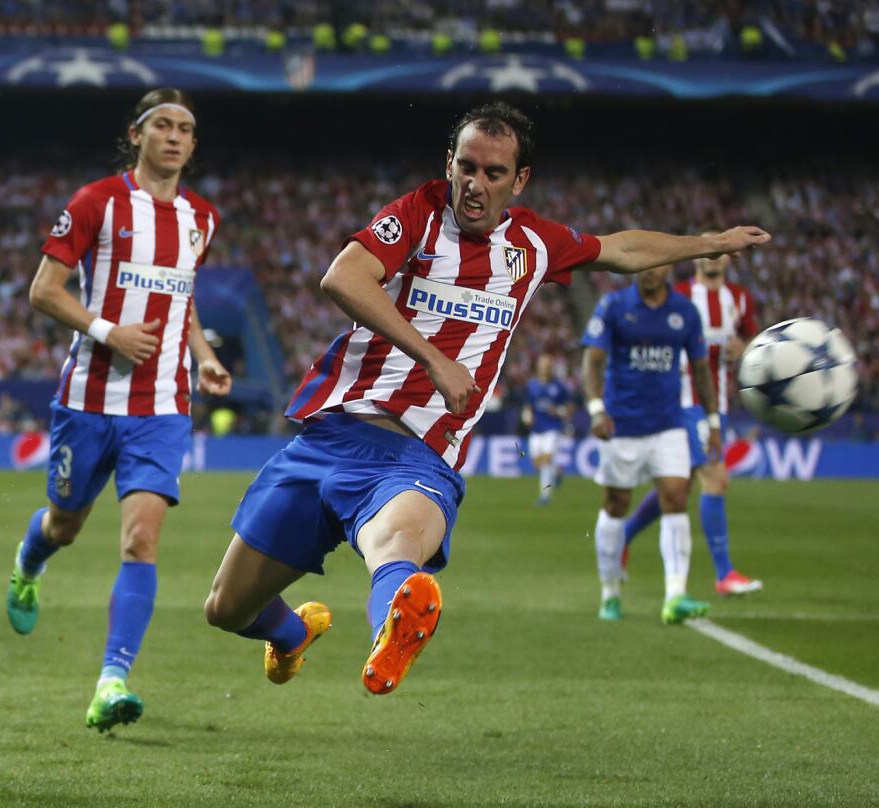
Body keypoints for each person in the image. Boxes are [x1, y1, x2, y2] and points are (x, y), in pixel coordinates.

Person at [202, 101, 769, 693]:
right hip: (331, 435)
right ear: (449, 164)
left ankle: (389, 640)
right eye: (466, 167)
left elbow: (620, 249)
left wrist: (707, 242)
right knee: (226, 607)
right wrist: (434, 357)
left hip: (416, 456)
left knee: (392, 544)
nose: (475, 185)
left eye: (493, 173)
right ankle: (292, 633)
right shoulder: (418, 216)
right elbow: (342, 277)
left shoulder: (534, 244)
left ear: (519, 180)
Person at [4, 88, 232, 732]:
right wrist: (109, 332)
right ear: (136, 134)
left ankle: (112, 680)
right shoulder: (96, 202)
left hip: (162, 406)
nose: (175, 136)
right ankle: (29, 562)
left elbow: (181, 301)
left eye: (186, 128)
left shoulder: (202, 219)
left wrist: (202, 353)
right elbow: (43, 291)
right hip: (88, 402)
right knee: (65, 524)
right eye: (163, 124)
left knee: (141, 539)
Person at [584, 265, 723, 623]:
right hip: (622, 425)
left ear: (668, 269)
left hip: (668, 423)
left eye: (656, 265)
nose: (649, 272)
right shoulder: (614, 306)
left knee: (677, 497)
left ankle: (676, 595)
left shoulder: (684, 313)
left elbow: (701, 369)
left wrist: (713, 421)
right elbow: (593, 361)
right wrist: (597, 410)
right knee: (616, 504)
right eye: (642, 266)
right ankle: (610, 591)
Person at [620, 244, 762, 595]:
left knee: (678, 486)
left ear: (729, 257)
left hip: (717, 404)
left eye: (719, 248)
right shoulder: (680, 295)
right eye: (706, 247)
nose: (712, 256)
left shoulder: (740, 299)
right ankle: (724, 573)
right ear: (697, 257)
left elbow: (757, 344)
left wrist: (746, 347)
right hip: (681, 401)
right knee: (715, 478)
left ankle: (622, 535)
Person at [522, 353, 572, 505]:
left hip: (552, 427)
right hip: (536, 428)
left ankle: (545, 495)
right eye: (543, 366)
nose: (545, 369)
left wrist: (558, 411)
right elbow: (528, 405)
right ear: (538, 368)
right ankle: (556, 473)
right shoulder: (532, 385)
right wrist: (526, 415)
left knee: (546, 460)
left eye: (548, 366)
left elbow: (569, 407)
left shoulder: (559, 386)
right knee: (537, 463)